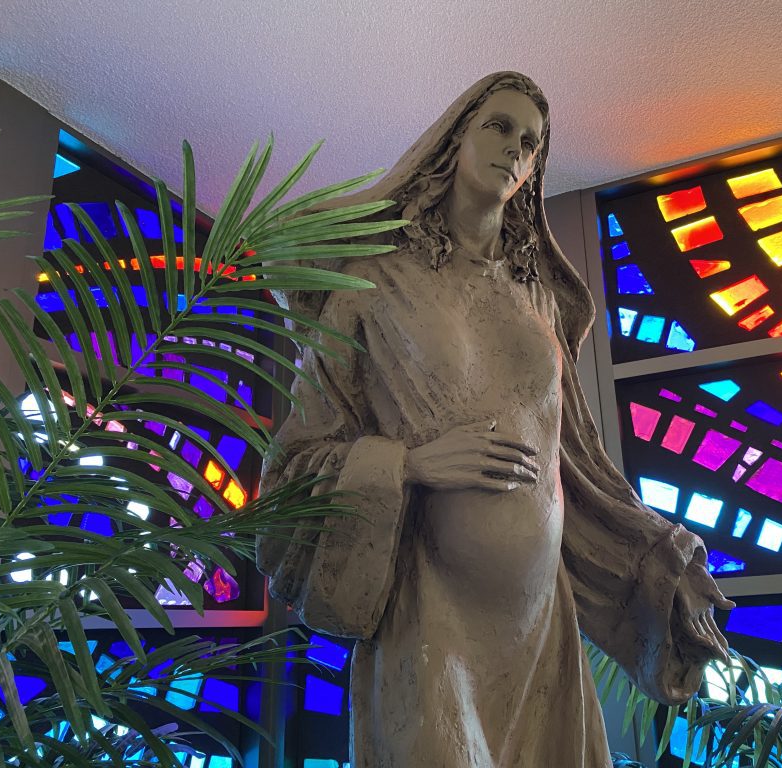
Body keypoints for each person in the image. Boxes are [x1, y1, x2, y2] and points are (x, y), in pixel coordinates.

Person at [257, 71, 734, 767]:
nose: (516, 149)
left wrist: (660, 556)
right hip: (428, 615)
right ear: (454, 140)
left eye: (532, 143)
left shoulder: (538, 298)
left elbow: (579, 462)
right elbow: (297, 461)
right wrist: (406, 464)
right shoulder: (375, 281)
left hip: (541, 622)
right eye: (499, 127)